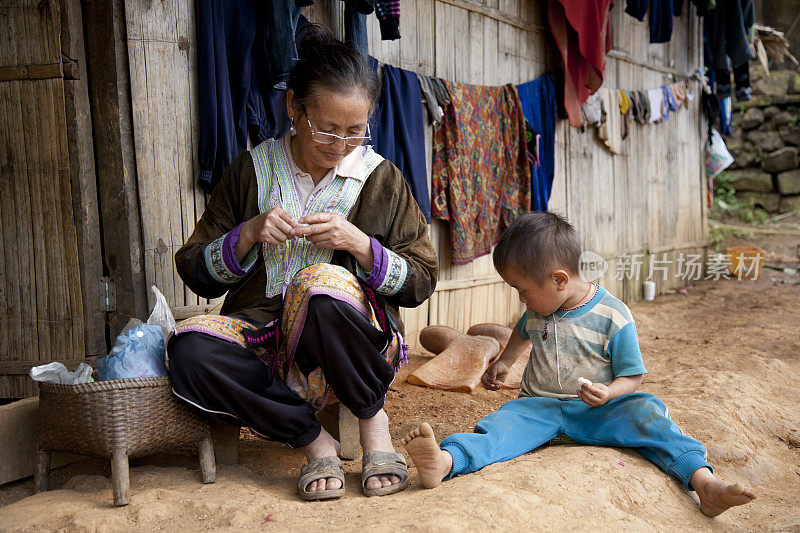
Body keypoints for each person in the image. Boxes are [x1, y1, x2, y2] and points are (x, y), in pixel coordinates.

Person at [169, 26, 437, 501]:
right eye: (327, 128)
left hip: (355, 345)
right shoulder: (249, 170)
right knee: (187, 351)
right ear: (294, 107)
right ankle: (314, 440)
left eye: (355, 130)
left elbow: (421, 280)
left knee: (320, 286)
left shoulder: (382, 179)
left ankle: (374, 424)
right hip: (265, 344)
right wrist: (248, 232)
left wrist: (361, 246)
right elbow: (194, 269)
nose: (341, 143)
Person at [401, 212, 755, 517]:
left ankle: (705, 485)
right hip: (536, 409)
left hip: (597, 412)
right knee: (498, 425)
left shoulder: (613, 316)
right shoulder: (538, 310)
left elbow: (633, 376)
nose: (521, 298)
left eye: (523, 290)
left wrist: (609, 392)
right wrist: (505, 361)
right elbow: (522, 332)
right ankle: (445, 462)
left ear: (559, 279)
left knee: (649, 414)